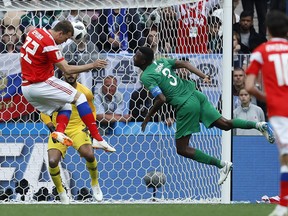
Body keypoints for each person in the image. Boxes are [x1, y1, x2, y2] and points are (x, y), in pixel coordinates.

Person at [133, 46, 275, 185]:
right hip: (197, 95)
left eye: (137, 55)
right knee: (224, 124)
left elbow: (162, 99)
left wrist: (147, 117)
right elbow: (185, 63)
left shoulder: (146, 76)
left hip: (186, 105)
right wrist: (203, 75)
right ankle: (258, 125)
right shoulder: (161, 61)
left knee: (182, 149)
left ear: (144, 61)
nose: (134, 56)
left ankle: (221, 165)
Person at [20, 20, 115, 152]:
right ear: (60, 33)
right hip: (40, 83)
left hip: (26, 87)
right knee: (80, 98)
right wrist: (92, 65)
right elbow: (67, 69)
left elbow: (29, 30)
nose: (65, 42)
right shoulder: (50, 45)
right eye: (66, 38)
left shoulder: (35, 32)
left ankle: (59, 132)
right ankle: (98, 139)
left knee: (66, 105)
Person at [245, 11, 288, 216]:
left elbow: (249, 86)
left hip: (279, 109)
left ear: (268, 30)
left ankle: (283, 204)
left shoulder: (261, 51)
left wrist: (267, 98)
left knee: (285, 156)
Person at [40, 72, 103, 204]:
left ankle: (95, 183)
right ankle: (61, 191)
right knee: (52, 161)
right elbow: (44, 111)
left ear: (78, 75)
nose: (71, 75)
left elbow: (91, 110)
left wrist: (90, 126)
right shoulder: (54, 90)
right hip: (59, 128)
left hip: (77, 128)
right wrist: (52, 129)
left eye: (74, 73)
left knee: (89, 154)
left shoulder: (85, 92)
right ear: (63, 74)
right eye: (68, 73)